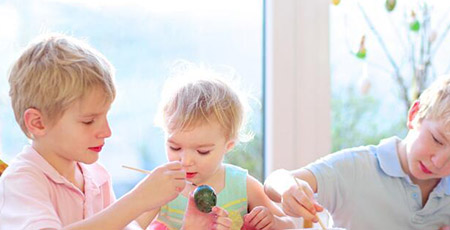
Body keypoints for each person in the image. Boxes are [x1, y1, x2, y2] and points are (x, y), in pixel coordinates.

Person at [0, 34, 191, 230]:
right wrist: (138, 199)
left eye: (105, 116)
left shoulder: (97, 176)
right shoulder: (21, 182)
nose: (106, 132)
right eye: (89, 121)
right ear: (38, 123)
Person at [264, 75, 450, 230]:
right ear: (414, 115)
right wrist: (289, 187)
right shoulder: (357, 168)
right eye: (437, 140)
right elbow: (275, 181)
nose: (439, 162)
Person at [136, 66, 296, 230]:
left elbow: (290, 225)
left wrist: (274, 223)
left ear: (228, 145)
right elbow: (129, 226)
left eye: (202, 151)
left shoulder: (242, 184)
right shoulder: (163, 187)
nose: (186, 161)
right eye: (175, 147)